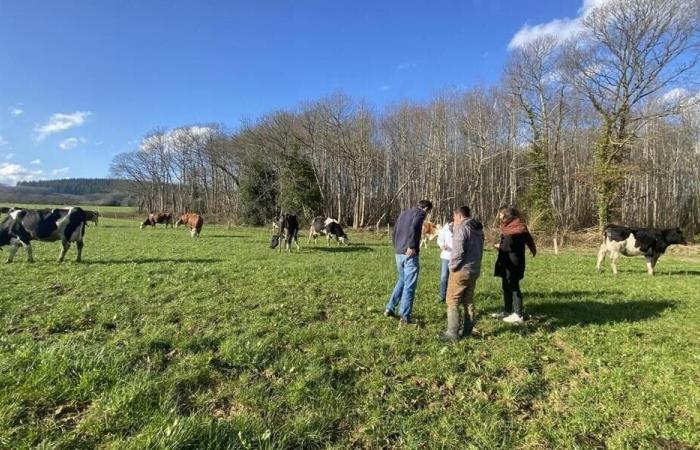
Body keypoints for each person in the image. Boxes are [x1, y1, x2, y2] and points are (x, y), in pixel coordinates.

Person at [384, 199, 433, 328]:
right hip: (409, 253)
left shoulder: (404, 213)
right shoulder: (420, 213)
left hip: (398, 251)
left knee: (402, 280)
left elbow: (395, 230)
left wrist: (396, 245)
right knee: (409, 286)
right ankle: (405, 319)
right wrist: (411, 245)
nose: (427, 215)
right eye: (429, 212)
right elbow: (415, 226)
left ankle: (389, 308)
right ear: (426, 208)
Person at [440, 206, 484, 342]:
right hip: (474, 269)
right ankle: (467, 331)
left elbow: (458, 251)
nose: (454, 220)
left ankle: (452, 334)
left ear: (459, 216)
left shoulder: (462, 228)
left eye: (454, 218)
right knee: (468, 301)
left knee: (452, 300)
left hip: (461, 270)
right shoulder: (478, 229)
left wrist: (452, 266)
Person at [492, 206, 536, 324]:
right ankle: (507, 310)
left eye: (501, 214)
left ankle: (518, 314)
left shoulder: (515, 228)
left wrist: (498, 246)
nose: (499, 216)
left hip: (513, 262)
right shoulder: (511, 226)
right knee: (506, 285)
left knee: (514, 287)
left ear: (507, 215)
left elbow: (509, 246)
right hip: (507, 260)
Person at [436, 221, 454, 303]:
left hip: (456, 257)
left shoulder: (461, 228)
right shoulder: (445, 229)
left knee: (454, 277)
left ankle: (453, 297)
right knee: (444, 276)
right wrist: (442, 245)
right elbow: (439, 240)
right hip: (446, 256)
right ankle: (443, 296)